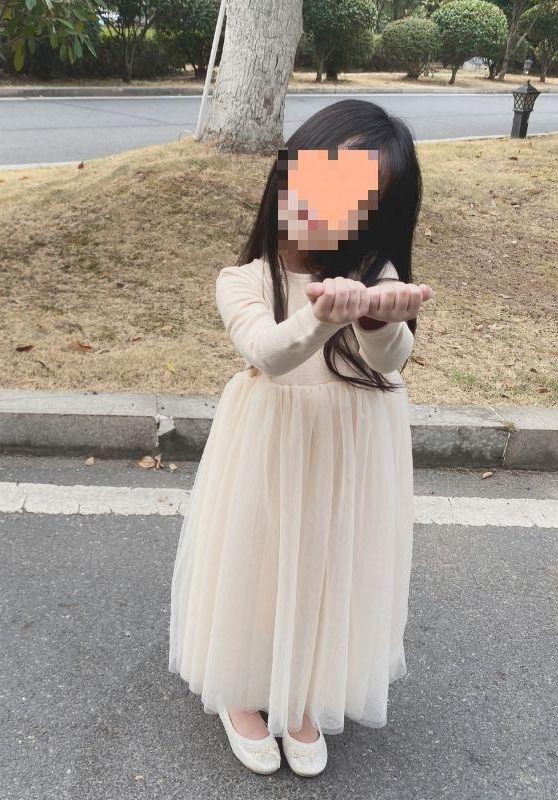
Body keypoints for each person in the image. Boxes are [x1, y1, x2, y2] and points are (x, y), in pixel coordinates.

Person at [167, 99, 434, 778]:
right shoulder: (245, 278)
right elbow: (268, 351)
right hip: (271, 441)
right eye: (321, 180)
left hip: (353, 448)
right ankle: (242, 689)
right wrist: (322, 319)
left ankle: (302, 691)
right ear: (288, 175)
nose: (327, 206)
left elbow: (390, 360)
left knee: (327, 561)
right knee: (262, 559)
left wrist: (377, 321)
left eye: (358, 198)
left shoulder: (376, 274)